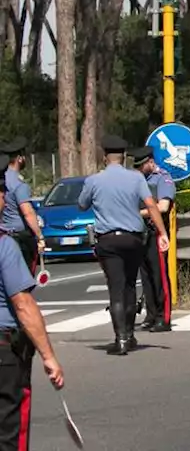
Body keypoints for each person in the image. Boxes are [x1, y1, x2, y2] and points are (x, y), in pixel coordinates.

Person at [77, 135, 169, 355]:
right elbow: (151, 205)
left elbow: (82, 205)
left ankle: (121, 340)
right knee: (129, 285)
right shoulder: (136, 179)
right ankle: (130, 334)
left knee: (116, 289)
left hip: (108, 240)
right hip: (134, 239)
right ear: (125, 156)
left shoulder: (94, 180)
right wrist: (162, 233)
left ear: (104, 156)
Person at [0, 179, 64, 450]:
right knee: (9, 433)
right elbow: (24, 305)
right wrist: (49, 357)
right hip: (4, 355)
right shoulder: (5, 246)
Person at [131, 146, 173, 332]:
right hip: (140, 233)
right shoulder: (138, 180)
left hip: (156, 232)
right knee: (146, 276)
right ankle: (151, 314)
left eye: (142, 165)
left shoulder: (162, 178)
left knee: (159, 276)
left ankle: (164, 317)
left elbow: (163, 207)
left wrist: (135, 213)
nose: (139, 169)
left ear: (150, 162)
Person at [0, 139, 45, 274]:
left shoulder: (3, 179)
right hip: (20, 238)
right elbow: (28, 212)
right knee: (24, 278)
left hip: (4, 234)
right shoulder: (19, 185)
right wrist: (39, 236)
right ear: (19, 159)